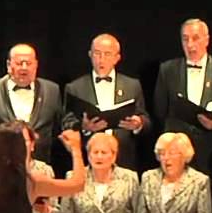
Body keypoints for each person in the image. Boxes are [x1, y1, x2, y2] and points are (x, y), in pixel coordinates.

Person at [152, 19, 212, 180]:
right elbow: (160, 110)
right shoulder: (167, 70)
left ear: (207, 39)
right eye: (185, 39)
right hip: (176, 153)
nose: (190, 44)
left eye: (195, 38)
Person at [62, 33, 149, 170]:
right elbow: (66, 122)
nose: (101, 59)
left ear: (117, 58)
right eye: (97, 53)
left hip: (124, 160)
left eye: (107, 54)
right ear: (90, 55)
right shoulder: (75, 87)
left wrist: (138, 124)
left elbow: (145, 119)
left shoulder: (132, 85)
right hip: (87, 160)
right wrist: (84, 127)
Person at [0, 44, 65, 165]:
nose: (24, 68)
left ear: (36, 65)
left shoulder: (52, 90)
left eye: (28, 63)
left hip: (41, 168)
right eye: (19, 63)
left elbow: (57, 129)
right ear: (8, 65)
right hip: (0, 167)